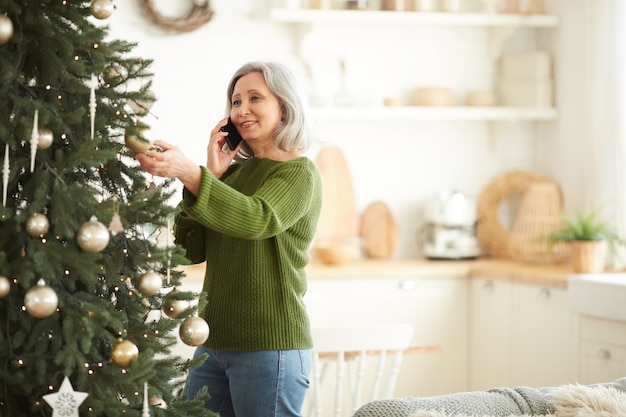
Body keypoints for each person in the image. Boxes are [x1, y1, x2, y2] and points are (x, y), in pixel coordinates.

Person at [136, 61, 322, 417]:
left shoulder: (300, 173)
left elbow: (258, 217)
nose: (242, 110)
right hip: (211, 342)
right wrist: (211, 177)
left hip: (270, 346)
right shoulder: (231, 175)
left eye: (255, 98)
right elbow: (188, 250)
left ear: (284, 106)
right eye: (236, 102)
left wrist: (192, 175)